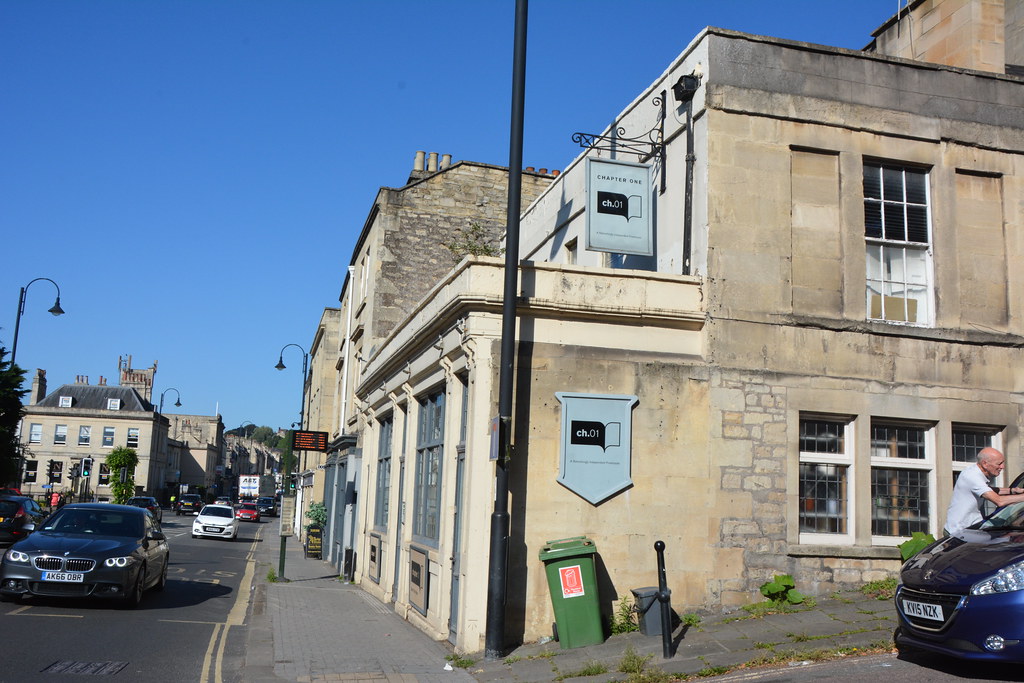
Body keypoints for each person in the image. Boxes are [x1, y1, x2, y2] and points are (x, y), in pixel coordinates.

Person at [945, 447, 1024, 535]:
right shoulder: (973, 477)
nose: (1002, 467)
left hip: (973, 527)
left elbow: (988, 490)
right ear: (985, 463)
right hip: (958, 532)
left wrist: (1012, 491)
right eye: (999, 463)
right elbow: (999, 501)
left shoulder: (975, 472)